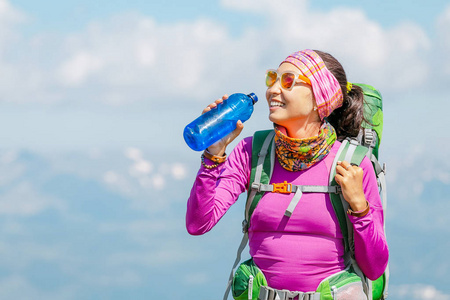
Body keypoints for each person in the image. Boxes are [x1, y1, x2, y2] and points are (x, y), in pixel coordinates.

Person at [186, 49, 389, 298]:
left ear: (319, 97)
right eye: (273, 78)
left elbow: (375, 267)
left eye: (288, 81)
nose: (272, 90)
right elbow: (199, 223)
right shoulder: (253, 152)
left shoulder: (352, 164)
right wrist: (213, 156)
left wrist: (360, 205)